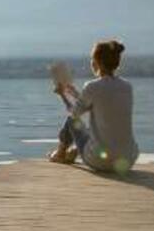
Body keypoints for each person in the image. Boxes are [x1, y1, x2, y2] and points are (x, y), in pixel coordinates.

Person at [50, 40, 139, 174]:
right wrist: (73, 92)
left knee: (72, 122)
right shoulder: (127, 87)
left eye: (92, 59)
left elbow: (74, 113)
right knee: (92, 132)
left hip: (101, 161)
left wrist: (62, 95)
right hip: (128, 160)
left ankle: (60, 153)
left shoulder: (92, 86)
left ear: (97, 62)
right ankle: (73, 152)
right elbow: (100, 104)